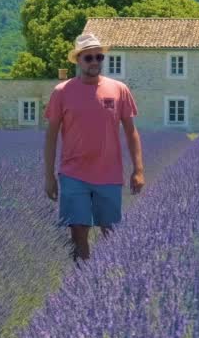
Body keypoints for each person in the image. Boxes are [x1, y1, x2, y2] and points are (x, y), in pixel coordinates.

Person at [44, 33, 145, 262]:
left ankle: (108, 280)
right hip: (73, 173)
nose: (95, 62)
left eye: (99, 57)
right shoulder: (62, 92)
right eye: (88, 58)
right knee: (78, 230)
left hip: (109, 174)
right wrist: (49, 176)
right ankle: (82, 280)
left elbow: (131, 132)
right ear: (78, 60)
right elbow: (51, 136)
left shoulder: (119, 89)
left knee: (111, 230)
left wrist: (138, 170)